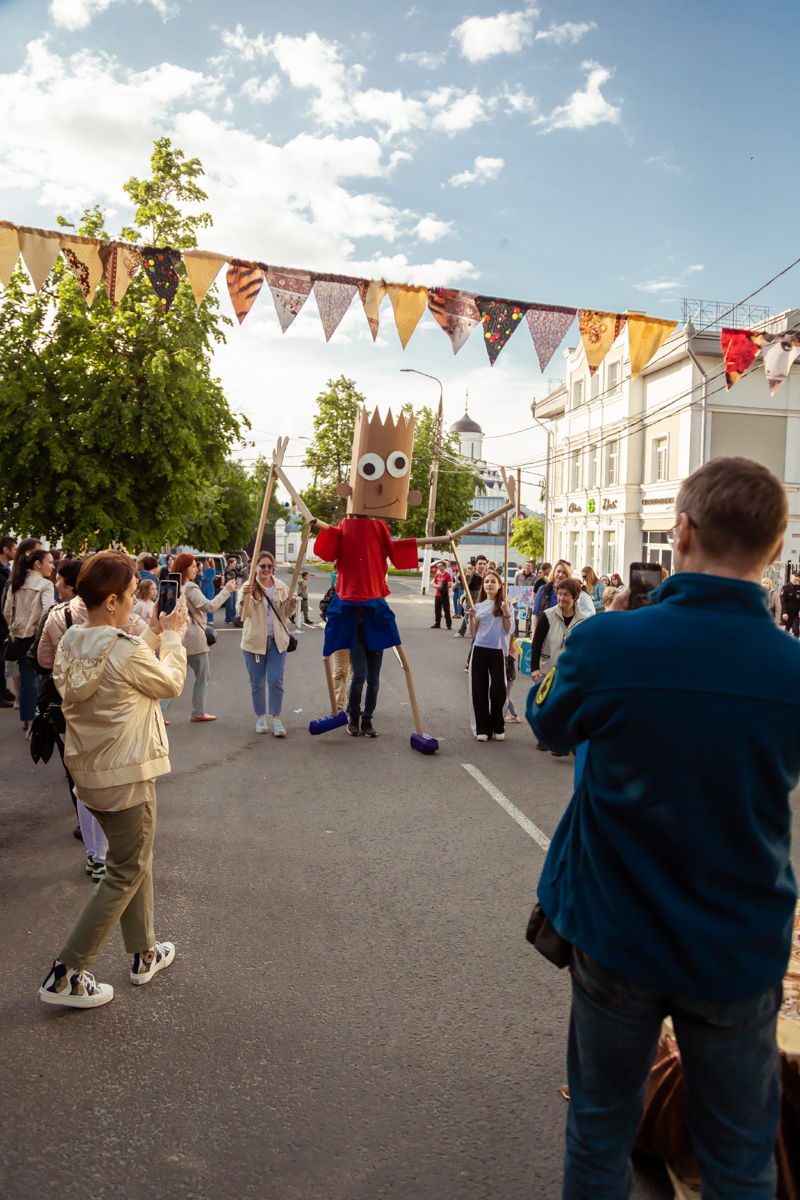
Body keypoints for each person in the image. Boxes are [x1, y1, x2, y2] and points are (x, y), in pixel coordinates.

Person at [527, 456, 800, 1199]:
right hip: (739, 949)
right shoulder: (792, 669)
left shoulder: (608, 645)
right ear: (774, 549)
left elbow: (547, 725)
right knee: (740, 1159)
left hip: (619, 935)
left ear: (680, 533)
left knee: (600, 1133)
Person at [38, 550, 188, 1009]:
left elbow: (133, 662)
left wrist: (157, 632)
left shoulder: (72, 642)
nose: (130, 603)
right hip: (127, 775)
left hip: (89, 774)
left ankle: (145, 952)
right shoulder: (121, 649)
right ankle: (66, 972)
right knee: (126, 869)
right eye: (126, 597)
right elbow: (169, 684)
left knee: (130, 859)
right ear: (109, 601)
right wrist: (176, 640)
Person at [163, 553, 235, 723]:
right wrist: (226, 591)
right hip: (193, 637)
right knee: (202, 675)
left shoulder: (175, 585)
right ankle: (198, 711)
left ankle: (156, 711)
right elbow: (209, 606)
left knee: (173, 676)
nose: (197, 569)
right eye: (193, 566)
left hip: (176, 635)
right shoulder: (190, 588)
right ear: (185, 568)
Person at [237, 551, 295, 736]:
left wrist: (291, 604)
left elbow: (286, 614)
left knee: (276, 679)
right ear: (255, 567)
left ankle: (276, 719)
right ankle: (260, 717)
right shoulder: (248, 587)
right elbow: (242, 615)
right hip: (254, 643)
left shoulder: (280, 586)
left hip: (277, 641)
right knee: (257, 682)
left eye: (270, 566)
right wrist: (246, 597)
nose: (267, 569)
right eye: (263, 566)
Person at [529, 577, 588, 756]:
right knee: (549, 704)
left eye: (566, 595)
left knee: (570, 705)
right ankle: (547, 738)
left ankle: (567, 742)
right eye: (560, 594)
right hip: (549, 667)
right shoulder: (548, 615)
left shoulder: (583, 620)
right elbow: (537, 643)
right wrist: (534, 667)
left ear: (575, 597)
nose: (562, 598)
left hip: (571, 670)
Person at [3, 546, 55, 731]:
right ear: (38, 564)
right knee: (43, 677)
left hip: (20, 635)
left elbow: (8, 610)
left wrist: (15, 627)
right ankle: (41, 716)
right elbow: (48, 611)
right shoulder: (46, 585)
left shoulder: (16, 582)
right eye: (49, 562)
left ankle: (28, 719)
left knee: (27, 679)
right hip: (39, 636)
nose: (52, 566)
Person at [468, 569, 512, 741]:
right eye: (486, 582)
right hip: (479, 649)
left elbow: (509, 629)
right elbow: (473, 633)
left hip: (498, 650)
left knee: (498, 690)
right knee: (479, 690)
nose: (489, 584)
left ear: (500, 585)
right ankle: (482, 728)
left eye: (493, 581)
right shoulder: (478, 606)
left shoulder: (506, 605)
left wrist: (506, 612)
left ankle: (498, 725)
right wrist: (472, 617)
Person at [0, 534, 17, 705]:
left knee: (1, 656)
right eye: (15, 549)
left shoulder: (7, 568)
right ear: (6, 550)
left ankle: (3, 689)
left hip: (4, 619)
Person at [454, 556, 487, 637]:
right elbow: (462, 587)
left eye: (484, 564)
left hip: (484, 601)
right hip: (472, 600)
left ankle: (466, 632)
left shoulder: (487, 576)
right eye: (480, 564)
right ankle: (463, 631)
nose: (482, 566)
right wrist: (468, 575)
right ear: (475, 565)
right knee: (468, 615)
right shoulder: (471, 575)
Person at [431, 559, 454, 630]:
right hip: (437, 594)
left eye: (440, 566)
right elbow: (434, 582)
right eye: (438, 566)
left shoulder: (448, 575)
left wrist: (442, 586)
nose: (439, 567)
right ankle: (437, 623)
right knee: (437, 610)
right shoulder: (437, 575)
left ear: (444, 566)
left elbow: (450, 584)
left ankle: (448, 624)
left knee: (446, 610)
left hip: (444, 594)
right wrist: (436, 586)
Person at [779, 570, 800, 636]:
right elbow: (782, 601)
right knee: (784, 633)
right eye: (795, 576)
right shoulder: (786, 588)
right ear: (791, 576)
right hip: (786, 615)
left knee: (796, 630)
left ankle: (795, 646)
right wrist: (784, 612)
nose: (796, 578)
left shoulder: (799, 588)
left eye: (798, 576)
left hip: (795, 615)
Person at [200, 557, 217, 627]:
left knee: (209, 602)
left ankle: (210, 619)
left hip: (209, 587)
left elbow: (210, 579)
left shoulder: (212, 570)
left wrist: (203, 576)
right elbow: (201, 578)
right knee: (203, 602)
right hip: (203, 587)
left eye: (206, 561)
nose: (205, 563)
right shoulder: (204, 570)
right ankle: (204, 618)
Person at [223, 557, 239, 625]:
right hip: (229, 588)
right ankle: (229, 618)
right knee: (229, 604)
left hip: (234, 587)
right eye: (234, 563)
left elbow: (238, 574)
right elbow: (229, 581)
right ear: (230, 563)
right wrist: (234, 589)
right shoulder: (228, 571)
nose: (235, 565)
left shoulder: (233, 570)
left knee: (234, 603)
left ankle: (233, 617)